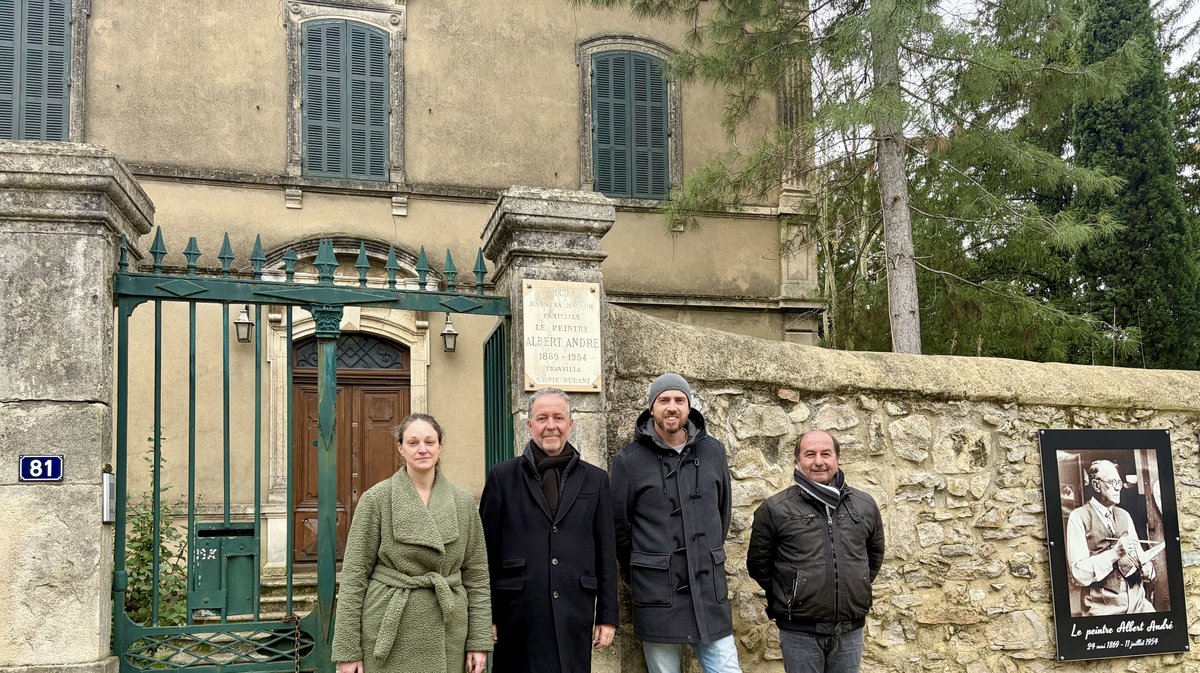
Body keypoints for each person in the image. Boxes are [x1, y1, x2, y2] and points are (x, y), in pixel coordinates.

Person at [332, 413, 491, 673]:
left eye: (430, 442)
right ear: (400, 448)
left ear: (440, 446)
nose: (422, 449)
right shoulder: (376, 499)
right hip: (388, 625)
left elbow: (477, 577)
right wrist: (348, 651)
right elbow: (354, 576)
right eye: (413, 442)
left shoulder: (463, 503)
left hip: (449, 630)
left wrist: (479, 640)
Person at [480, 388, 619, 673]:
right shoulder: (502, 478)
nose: (551, 425)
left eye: (558, 417)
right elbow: (484, 555)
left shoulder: (596, 480)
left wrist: (607, 616)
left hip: (574, 610)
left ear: (570, 423)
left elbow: (606, 552)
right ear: (530, 425)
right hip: (517, 612)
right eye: (542, 418)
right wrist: (487, 616)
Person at [610, 373, 742, 673]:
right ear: (651, 408)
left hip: (708, 589)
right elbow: (620, 528)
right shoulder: (629, 461)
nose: (672, 407)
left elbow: (722, 514)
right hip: (658, 592)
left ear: (689, 406)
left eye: (679, 400)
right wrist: (648, 565)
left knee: (726, 667)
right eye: (664, 400)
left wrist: (703, 554)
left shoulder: (713, 451)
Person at [747, 430, 884, 673]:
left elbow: (874, 556)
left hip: (850, 630)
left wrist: (854, 585)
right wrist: (792, 593)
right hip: (799, 632)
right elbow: (759, 565)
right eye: (810, 454)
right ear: (797, 460)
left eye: (826, 454)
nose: (818, 461)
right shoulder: (775, 509)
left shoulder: (865, 505)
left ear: (837, 459)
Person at [1065, 459, 1155, 616]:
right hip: (1102, 604)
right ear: (1096, 485)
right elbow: (1078, 573)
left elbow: (1138, 555)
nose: (1118, 487)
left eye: (1119, 482)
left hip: (1137, 598)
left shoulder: (1124, 515)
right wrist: (1115, 554)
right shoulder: (1078, 517)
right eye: (1113, 482)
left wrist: (1148, 568)